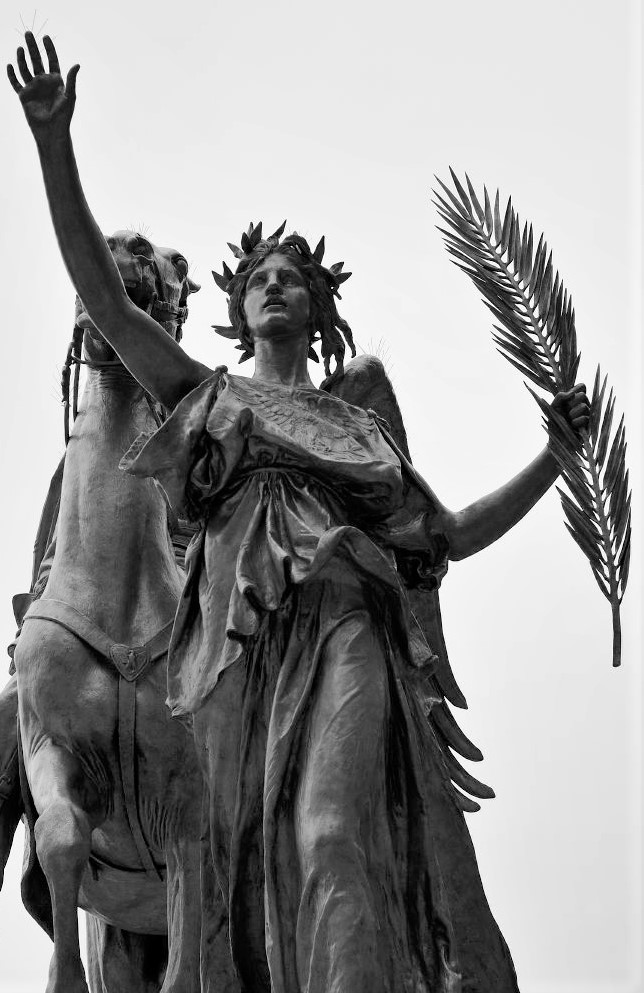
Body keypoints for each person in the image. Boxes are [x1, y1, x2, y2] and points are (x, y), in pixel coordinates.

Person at [8, 34, 590, 993]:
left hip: (338, 627)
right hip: (233, 665)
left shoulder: (356, 422)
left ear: (322, 313)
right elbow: (109, 303)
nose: (276, 286)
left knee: (329, 839)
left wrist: (554, 458)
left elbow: (449, 533)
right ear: (235, 311)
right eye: (258, 279)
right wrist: (52, 148)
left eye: (295, 279)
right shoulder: (209, 398)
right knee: (236, 888)